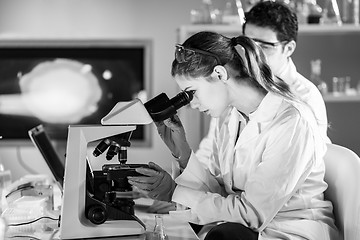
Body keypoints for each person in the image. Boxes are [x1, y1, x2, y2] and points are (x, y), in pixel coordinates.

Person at [128, 31, 339, 240]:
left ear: (220, 74)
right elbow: (222, 193)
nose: (191, 104)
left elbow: (251, 214)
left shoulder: (291, 122)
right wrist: (182, 151)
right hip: (247, 230)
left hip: (292, 229)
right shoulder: (231, 117)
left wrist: (174, 192)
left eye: (191, 92)